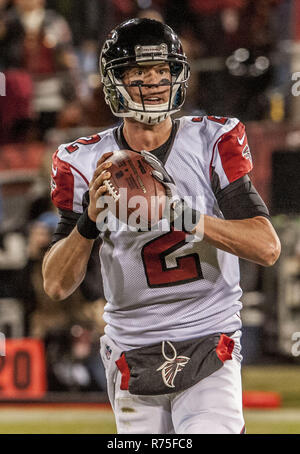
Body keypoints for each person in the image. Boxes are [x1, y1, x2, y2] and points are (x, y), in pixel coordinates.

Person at [42, 18, 281, 434]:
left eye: (163, 72)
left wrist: (183, 216)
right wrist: (88, 223)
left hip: (209, 337)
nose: (154, 83)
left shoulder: (211, 141)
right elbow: (56, 285)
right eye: (140, 74)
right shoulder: (83, 161)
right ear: (116, 82)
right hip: (131, 348)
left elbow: (266, 247)